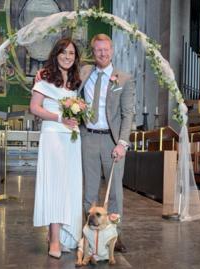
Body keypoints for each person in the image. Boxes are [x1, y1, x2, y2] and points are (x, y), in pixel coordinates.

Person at [79, 34, 135, 253]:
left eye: (106, 49)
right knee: (89, 192)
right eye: (98, 50)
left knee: (114, 193)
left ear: (112, 50)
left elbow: (128, 113)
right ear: (93, 52)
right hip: (88, 138)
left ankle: (115, 237)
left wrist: (122, 143)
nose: (102, 53)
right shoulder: (84, 73)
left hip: (112, 141)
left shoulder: (123, 78)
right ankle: (89, 235)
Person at [30, 38, 83, 259]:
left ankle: (64, 234)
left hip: (72, 139)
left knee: (69, 187)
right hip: (53, 137)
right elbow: (34, 108)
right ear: (56, 54)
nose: (67, 57)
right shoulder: (45, 77)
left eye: (71, 53)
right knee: (55, 187)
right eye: (63, 52)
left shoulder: (75, 81)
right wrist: (60, 117)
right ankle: (53, 240)